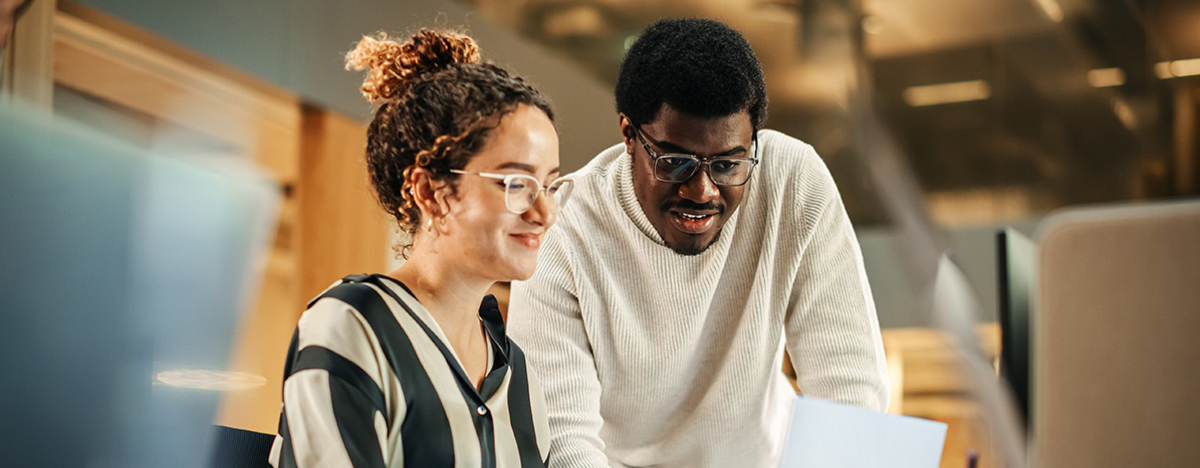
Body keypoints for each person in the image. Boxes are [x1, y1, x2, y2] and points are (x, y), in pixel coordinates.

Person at [507, 18, 889, 468]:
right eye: (676, 162)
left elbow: (850, 389)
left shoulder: (793, 181)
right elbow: (563, 439)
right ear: (629, 135)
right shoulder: (564, 229)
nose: (702, 191)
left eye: (728, 165)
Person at [270, 29, 573, 468]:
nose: (544, 212)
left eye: (549, 185)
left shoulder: (519, 374)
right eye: (516, 184)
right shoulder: (353, 326)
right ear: (431, 192)